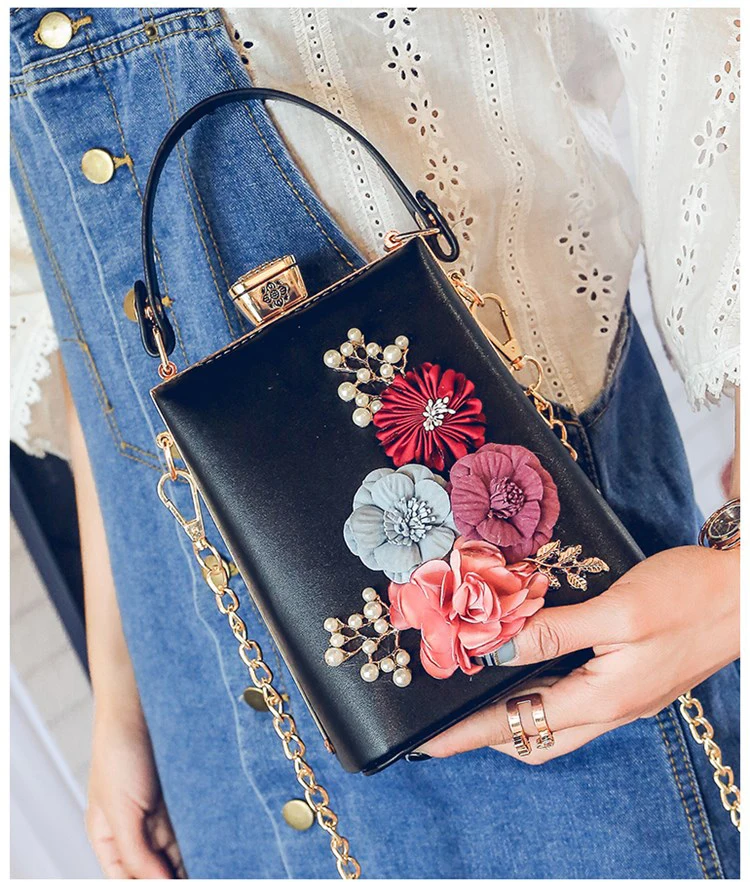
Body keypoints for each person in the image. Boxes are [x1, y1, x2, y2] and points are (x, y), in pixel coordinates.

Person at [10, 7, 739, 879]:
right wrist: (124, 695)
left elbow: (712, 60)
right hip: (206, 685)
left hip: (561, 636)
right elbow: (98, 347)